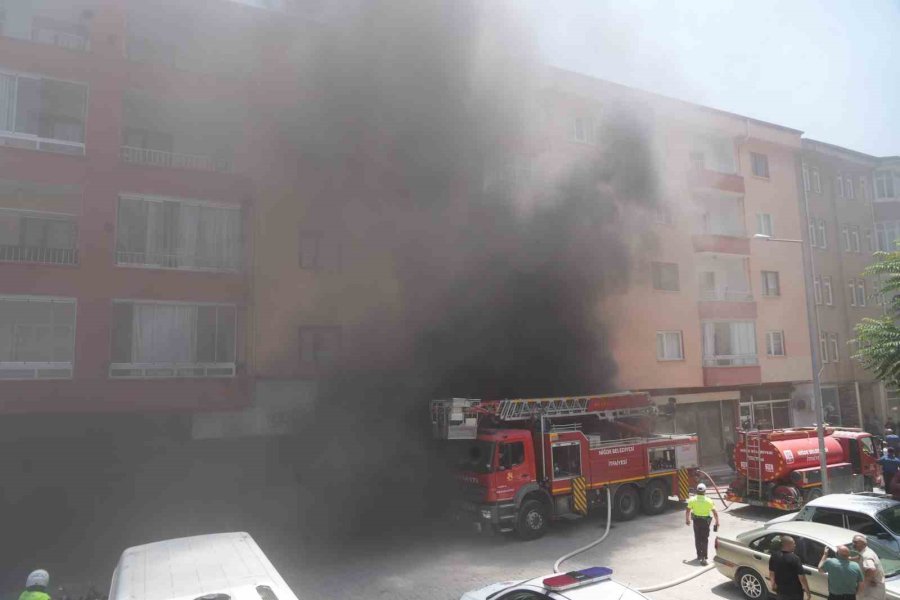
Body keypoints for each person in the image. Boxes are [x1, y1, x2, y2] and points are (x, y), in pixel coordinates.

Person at [684, 482, 719, 565]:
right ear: (705, 491)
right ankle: (704, 556)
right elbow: (715, 512)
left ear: (697, 491)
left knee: (697, 538)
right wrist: (717, 522)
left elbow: (688, 510)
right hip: (705, 522)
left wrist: (687, 520)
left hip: (696, 521)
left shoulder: (692, 499)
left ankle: (699, 555)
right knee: (704, 539)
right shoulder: (709, 500)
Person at [768, 535, 811, 600]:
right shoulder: (795, 558)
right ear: (788, 545)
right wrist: (808, 593)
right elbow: (802, 578)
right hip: (795, 593)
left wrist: (773, 584)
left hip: (781, 591)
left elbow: (771, 573)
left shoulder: (774, 556)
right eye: (793, 543)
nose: (795, 545)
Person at [851, 534, 885, 600]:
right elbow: (859, 557)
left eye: (855, 542)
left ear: (863, 544)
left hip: (871, 592)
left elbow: (871, 569)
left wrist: (864, 583)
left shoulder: (867, 555)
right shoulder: (866, 552)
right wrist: (848, 558)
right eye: (853, 541)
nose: (853, 544)